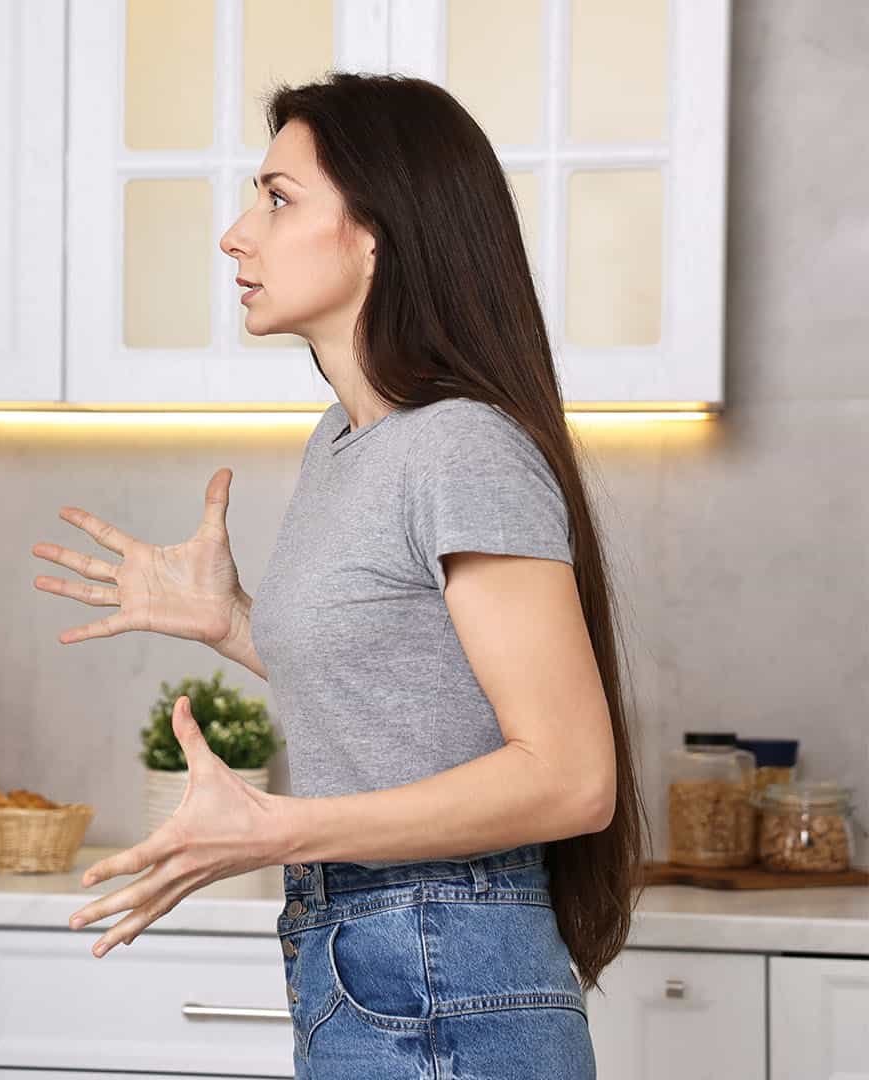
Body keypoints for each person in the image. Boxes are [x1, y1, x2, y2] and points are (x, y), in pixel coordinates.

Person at [32, 73, 644, 1079]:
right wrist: (233, 622)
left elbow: (572, 780)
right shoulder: (349, 440)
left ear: (377, 234)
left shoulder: (460, 447)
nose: (236, 235)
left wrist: (283, 828)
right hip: (368, 951)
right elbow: (418, 693)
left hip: (442, 958)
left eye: (278, 199)